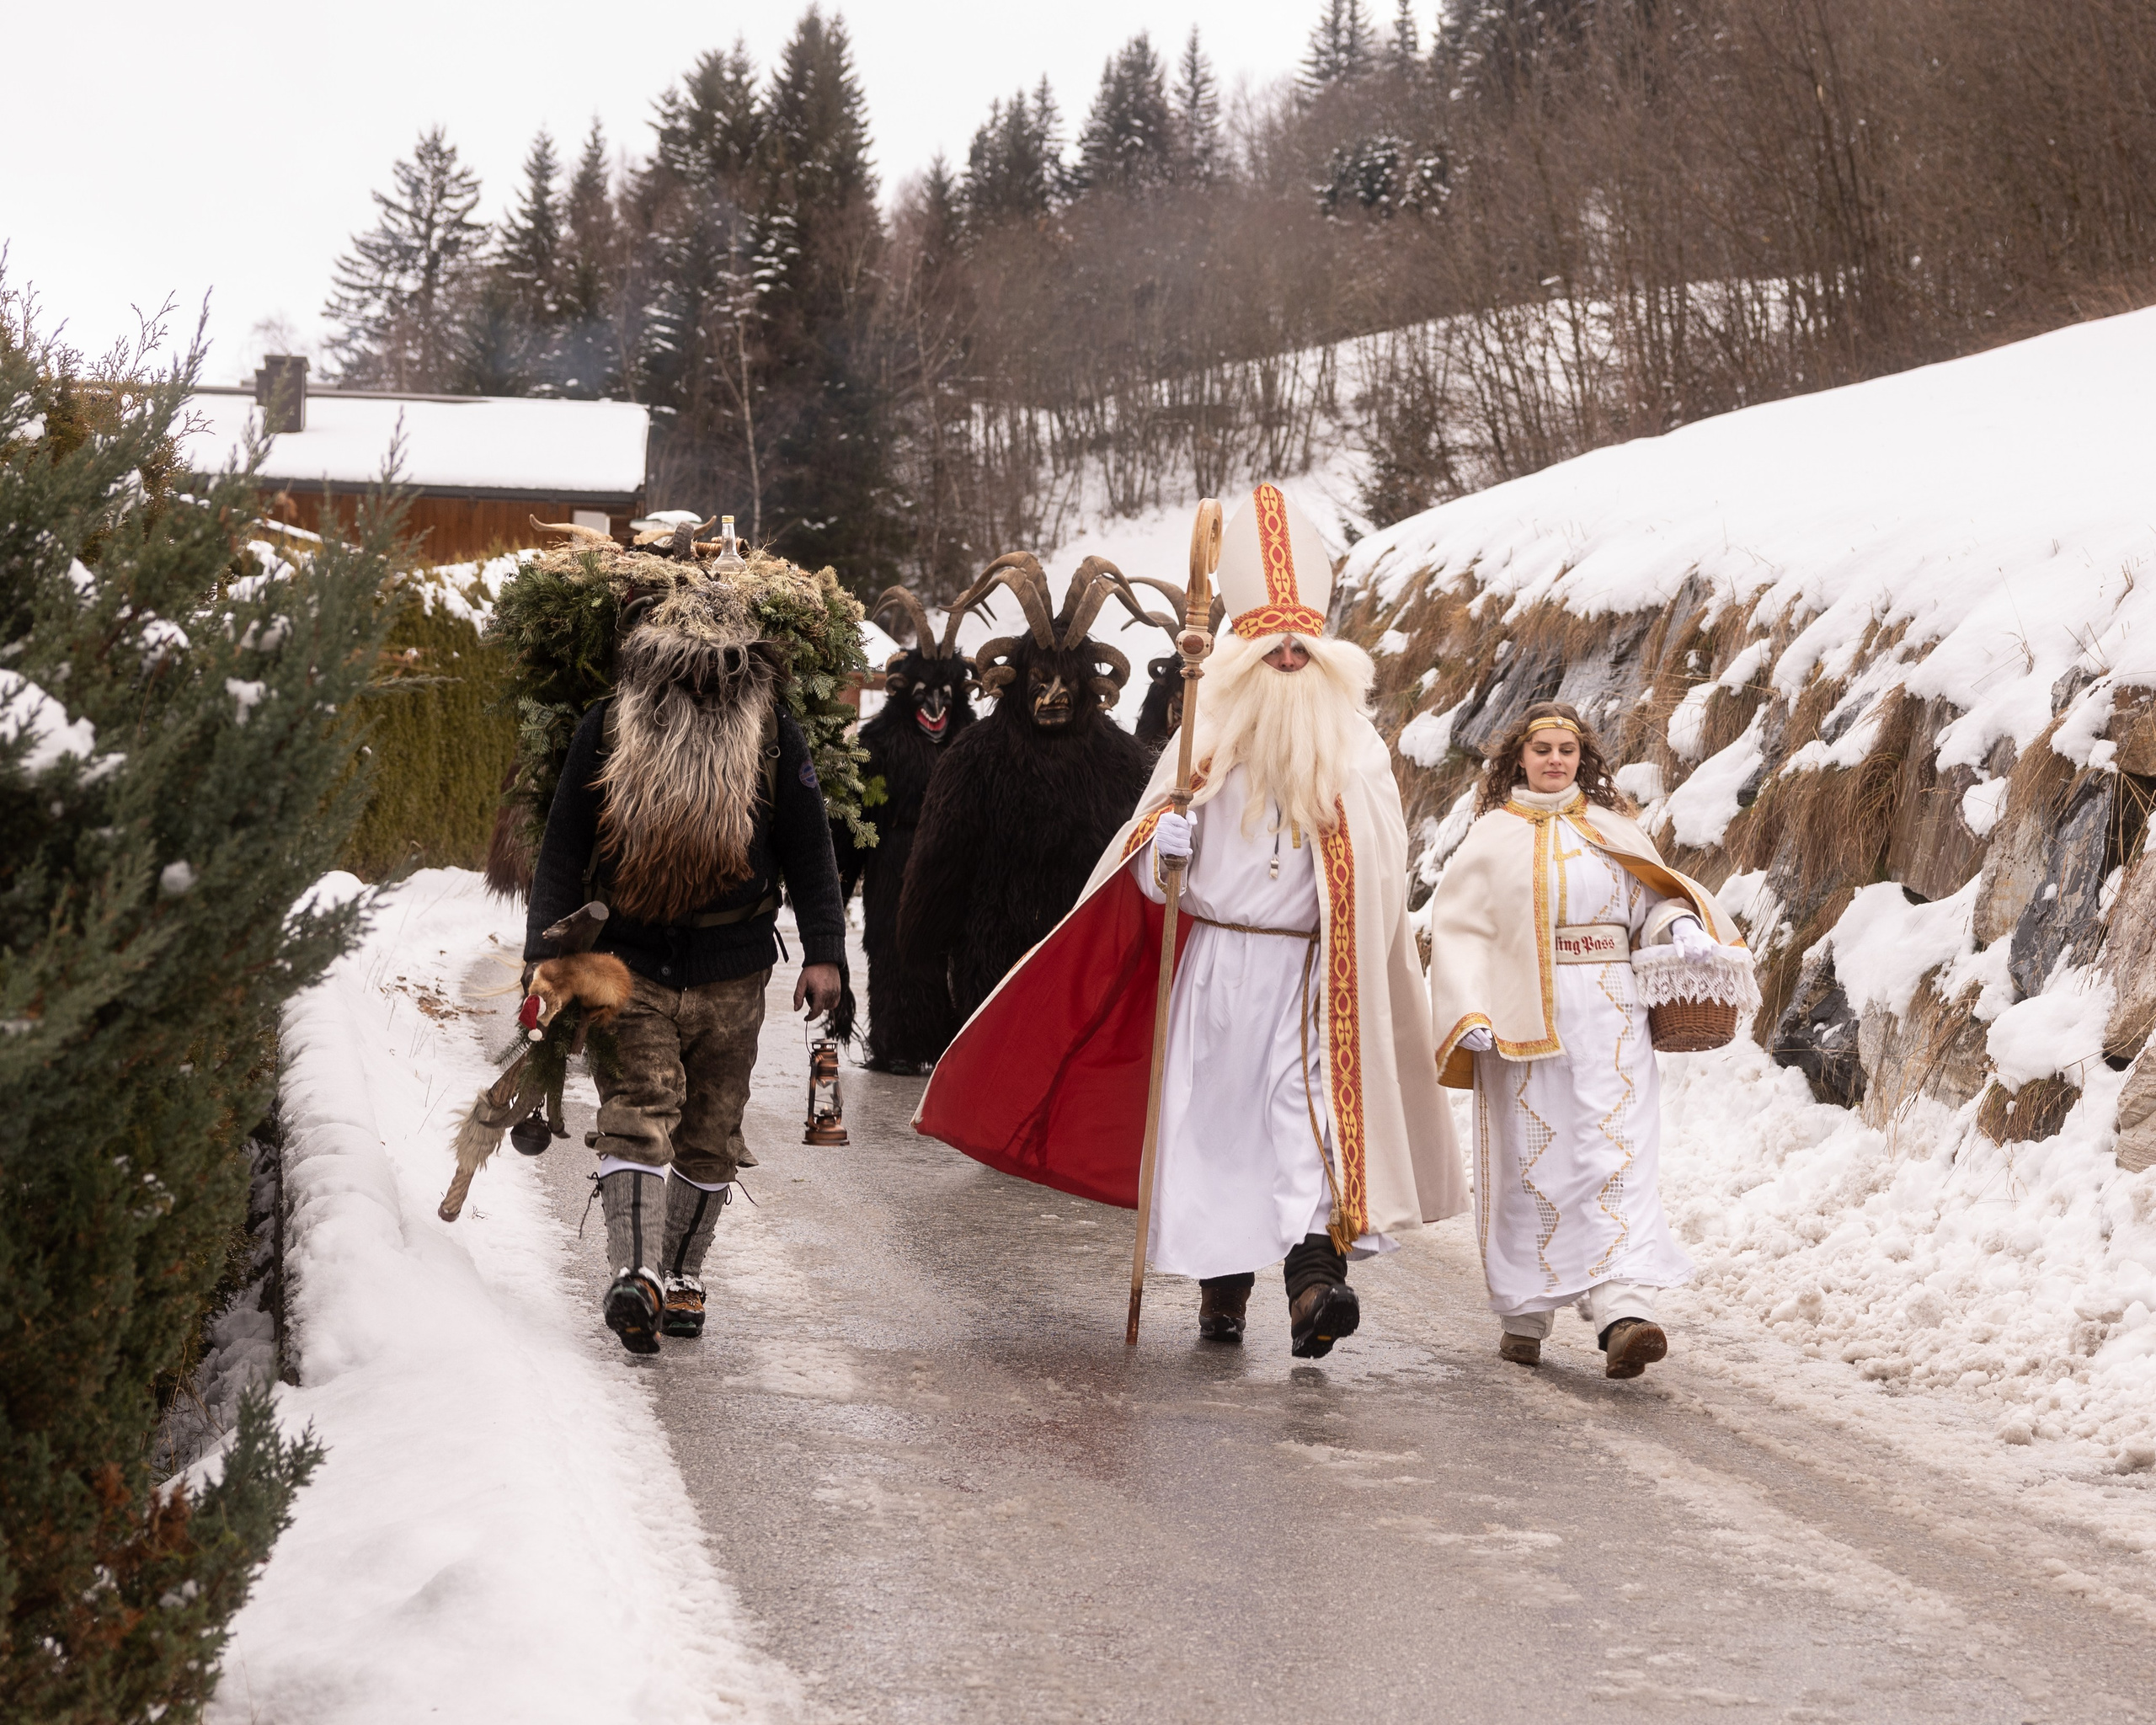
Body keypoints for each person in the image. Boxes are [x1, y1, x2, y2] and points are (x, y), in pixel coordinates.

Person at [915, 486, 1465, 1355]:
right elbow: (1143, 871)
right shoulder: (1202, 738)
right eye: (1274, 647)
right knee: (1216, 1134)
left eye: (1302, 647)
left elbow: (1381, 861)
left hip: (1314, 973)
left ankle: (1314, 1280)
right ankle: (1224, 1289)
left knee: (1307, 1121)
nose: (1289, 659)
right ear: (1247, 653)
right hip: (1216, 969)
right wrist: (1160, 845)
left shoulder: (1355, 747)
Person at [525, 581, 846, 1354]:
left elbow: (810, 849)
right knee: (636, 1111)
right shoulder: (609, 725)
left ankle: (680, 1273)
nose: (701, 684)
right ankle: (635, 1275)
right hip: (625, 963)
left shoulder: (774, 734)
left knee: (711, 1134)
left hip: (734, 969)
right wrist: (544, 958)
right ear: (652, 660)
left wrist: (826, 953)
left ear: (746, 666)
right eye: (683, 668)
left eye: (719, 669)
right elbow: (564, 845)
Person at [1426, 700, 1752, 1378]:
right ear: (1519, 758)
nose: (1555, 760)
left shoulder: (1613, 828)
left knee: (1616, 1154)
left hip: (1611, 1013)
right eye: (1542, 749)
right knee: (1533, 1161)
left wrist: (1677, 925)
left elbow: (1651, 900)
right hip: (1524, 1019)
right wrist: (1469, 1009)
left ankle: (1622, 1313)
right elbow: (1462, 933)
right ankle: (1524, 1313)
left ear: (1583, 759)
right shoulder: (1491, 837)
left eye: (1566, 751)